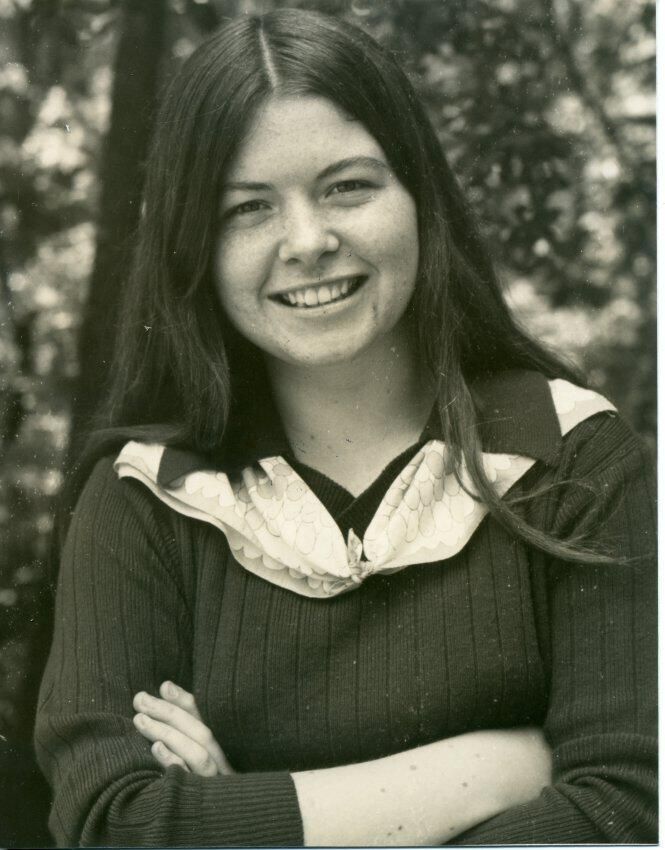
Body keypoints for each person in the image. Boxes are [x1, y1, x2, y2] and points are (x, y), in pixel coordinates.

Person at [34, 8, 656, 847]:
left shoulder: (575, 456)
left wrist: (243, 815)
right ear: (194, 246)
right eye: (247, 209)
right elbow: (114, 825)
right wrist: (488, 772)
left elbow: (628, 810)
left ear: (419, 196)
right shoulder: (145, 498)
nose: (307, 241)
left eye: (347, 187)